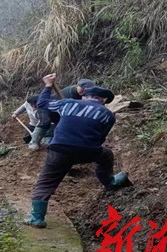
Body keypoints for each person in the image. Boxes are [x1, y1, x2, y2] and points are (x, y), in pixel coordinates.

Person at [23, 73, 131, 228]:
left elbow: (42, 103)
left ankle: (37, 218)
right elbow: (101, 136)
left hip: (59, 150)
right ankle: (110, 182)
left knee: (45, 183)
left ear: (84, 96)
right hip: (88, 151)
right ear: (104, 100)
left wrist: (48, 85)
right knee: (106, 155)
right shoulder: (108, 115)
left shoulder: (67, 103)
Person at [28, 78, 104, 151]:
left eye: (86, 89)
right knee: (45, 121)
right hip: (49, 108)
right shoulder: (70, 92)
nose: (83, 90)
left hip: (62, 113)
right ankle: (34, 141)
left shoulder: (88, 96)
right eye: (82, 88)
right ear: (77, 86)